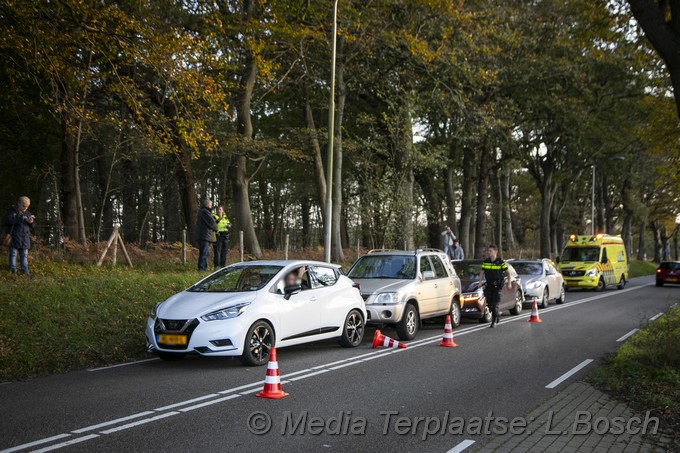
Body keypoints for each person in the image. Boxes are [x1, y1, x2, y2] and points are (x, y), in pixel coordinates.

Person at [479, 244, 512, 328]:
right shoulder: (486, 261)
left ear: (495, 252)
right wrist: (480, 282)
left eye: (490, 251)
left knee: (494, 304)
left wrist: (509, 283)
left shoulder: (500, 262)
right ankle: (496, 314)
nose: (489, 252)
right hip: (488, 285)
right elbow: (482, 272)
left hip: (497, 286)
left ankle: (493, 321)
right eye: (488, 251)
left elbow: (508, 272)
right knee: (489, 304)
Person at [5, 196, 35, 276]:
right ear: (19, 203)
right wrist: (20, 218)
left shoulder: (28, 213)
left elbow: (33, 226)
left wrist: (31, 222)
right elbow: (9, 221)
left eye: (27, 206)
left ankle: (25, 272)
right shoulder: (12, 211)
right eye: (23, 206)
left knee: (24, 256)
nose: (25, 208)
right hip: (14, 236)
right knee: (13, 254)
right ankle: (13, 271)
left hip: (25, 238)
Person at [196, 199, 218, 272]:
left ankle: (203, 268)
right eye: (211, 205)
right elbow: (211, 222)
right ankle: (202, 269)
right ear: (209, 205)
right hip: (205, 236)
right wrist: (216, 228)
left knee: (205, 253)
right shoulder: (205, 212)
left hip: (204, 235)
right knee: (204, 253)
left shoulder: (202, 212)